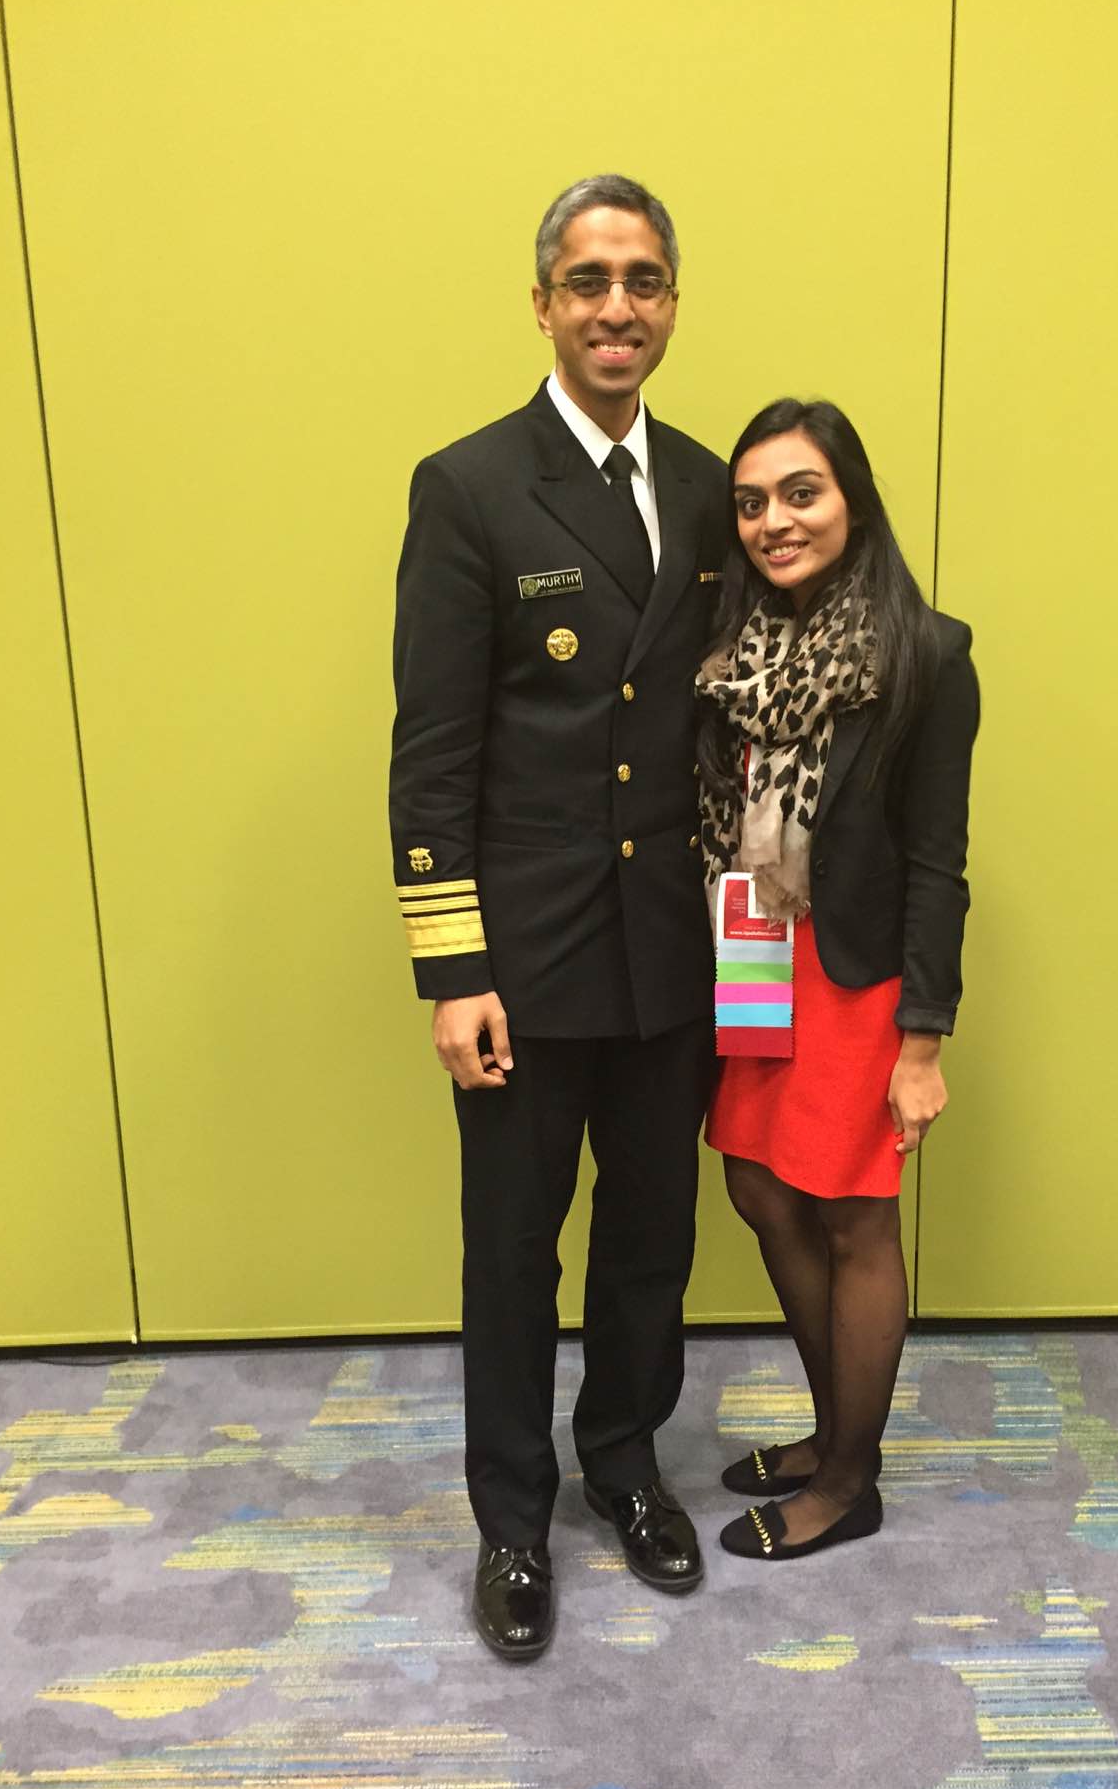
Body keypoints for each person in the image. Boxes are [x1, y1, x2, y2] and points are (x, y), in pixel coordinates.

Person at [389, 175, 729, 1657]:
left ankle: (623, 1467)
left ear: (669, 302)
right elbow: (431, 751)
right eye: (587, 281)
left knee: (651, 1243)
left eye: (642, 280)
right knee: (512, 1254)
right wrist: (450, 968)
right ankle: (514, 1525)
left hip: (674, 959)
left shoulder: (717, 485)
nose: (615, 307)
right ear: (542, 303)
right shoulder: (467, 486)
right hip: (521, 967)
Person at [695, 398, 979, 1561]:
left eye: (800, 492)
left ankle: (849, 1478)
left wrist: (924, 1039)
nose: (775, 521)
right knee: (763, 1189)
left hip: (857, 975)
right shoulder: (726, 655)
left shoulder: (926, 654)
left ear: (851, 498)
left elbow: (937, 858)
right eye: (752, 501)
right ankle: (830, 1429)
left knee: (856, 1216)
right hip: (755, 949)